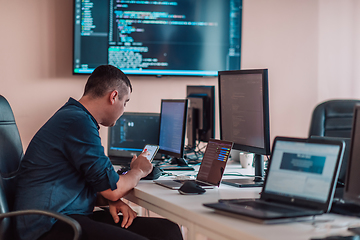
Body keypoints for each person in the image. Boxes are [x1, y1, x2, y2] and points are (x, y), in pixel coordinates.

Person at [14, 65, 184, 240]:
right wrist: (139, 170)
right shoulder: (78, 122)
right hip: (48, 226)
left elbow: (96, 187)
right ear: (114, 96)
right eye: (125, 103)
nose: (123, 110)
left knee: (166, 230)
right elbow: (114, 189)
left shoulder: (75, 117)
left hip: (66, 216)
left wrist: (111, 199)